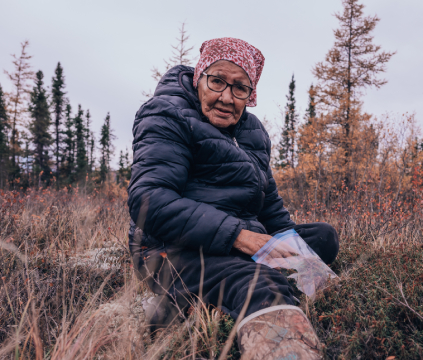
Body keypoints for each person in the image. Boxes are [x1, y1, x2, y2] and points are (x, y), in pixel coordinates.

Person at [127, 37, 339, 360]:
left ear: (250, 95)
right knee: (262, 286)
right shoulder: (166, 115)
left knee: (323, 239)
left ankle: (190, 303)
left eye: (240, 88)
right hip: (172, 249)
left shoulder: (252, 132)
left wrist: (297, 254)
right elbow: (150, 202)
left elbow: (270, 207)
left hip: (238, 241)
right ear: (200, 76)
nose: (226, 97)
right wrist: (241, 237)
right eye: (217, 82)